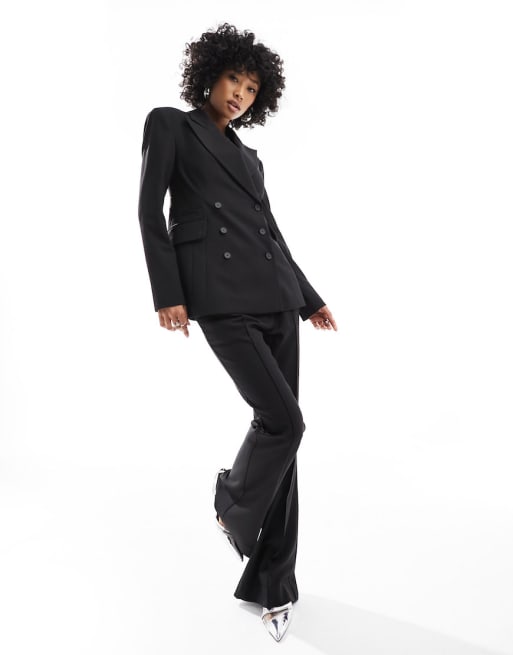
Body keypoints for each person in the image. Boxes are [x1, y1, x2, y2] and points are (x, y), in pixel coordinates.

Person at [137, 22, 337, 641]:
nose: (240, 95)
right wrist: (169, 293)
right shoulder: (171, 125)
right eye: (233, 80)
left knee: (284, 443)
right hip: (221, 298)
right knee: (284, 422)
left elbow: (270, 232)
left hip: (276, 297)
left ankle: (273, 583)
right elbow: (149, 211)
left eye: (251, 89)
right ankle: (231, 503)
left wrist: (308, 298)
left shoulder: (251, 159)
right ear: (209, 75)